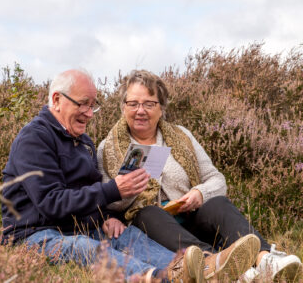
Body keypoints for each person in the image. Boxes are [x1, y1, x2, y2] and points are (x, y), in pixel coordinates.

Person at [1, 69, 217, 282]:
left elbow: (89, 191)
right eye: (83, 103)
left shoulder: (84, 142)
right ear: (57, 100)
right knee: (82, 247)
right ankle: (156, 277)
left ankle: (194, 270)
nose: (88, 113)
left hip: (84, 228)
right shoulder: (34, 139)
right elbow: (51, 202)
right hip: (37, 234)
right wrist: (113, 190)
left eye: (92, 105)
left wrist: (106, 218)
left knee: (127, 235)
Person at [97, 69, 303, 282]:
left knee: (218, 204)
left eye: (149, 104)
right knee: (148, 213)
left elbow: (217, 179)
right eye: (133, 103)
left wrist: (199, 192)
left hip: (191, 217)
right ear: (123, 107)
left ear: (161, 109)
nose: (140, 110)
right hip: (153, 229)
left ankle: (265, 260)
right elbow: (107, 204)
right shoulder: (108, 148)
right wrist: (129, 190)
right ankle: (213, 264)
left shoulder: (182, 136)